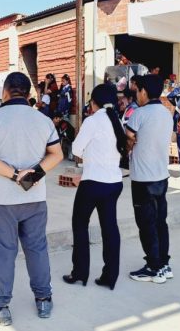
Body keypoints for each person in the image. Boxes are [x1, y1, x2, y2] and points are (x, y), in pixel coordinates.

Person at [0, 72, 64, 325]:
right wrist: (33, 175)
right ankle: (44, 300)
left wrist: (15, 175)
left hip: (3, 201)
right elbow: (56, 154)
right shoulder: (43, 120)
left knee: (4, 252)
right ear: (29, 94)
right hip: (35, 198)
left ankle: (0, 306)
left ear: (5, 92)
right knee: (37, 249)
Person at [62, 84, 126, 290]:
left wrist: (89, 154)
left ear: (93, 102)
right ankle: (110, 276)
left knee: (80, 225)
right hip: (114, 183)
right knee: (110, 228)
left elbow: (76, 148)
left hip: (93, 182)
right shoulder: (117, 121)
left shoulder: (92, 120)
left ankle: (80, 273)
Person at [125, 74, 173, 284]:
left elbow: (128, 139)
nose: (136, 95)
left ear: (143, 91)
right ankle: (163, 263)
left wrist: (129, 145)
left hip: (143, 178)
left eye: (137, 91)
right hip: (161, 176)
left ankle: (153, 267)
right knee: (160, 222)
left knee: (146, 224)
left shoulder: (139, 114)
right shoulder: (166, 113)